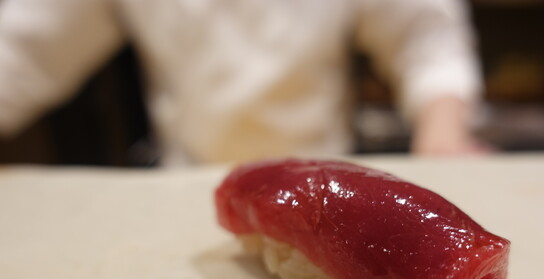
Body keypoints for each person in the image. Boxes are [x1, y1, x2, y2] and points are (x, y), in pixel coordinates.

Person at [0, 0, 483, 166]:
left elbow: (425, 36)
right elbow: (22, 51)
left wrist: (443, 134)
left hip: (324, 177)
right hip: (185, 181)